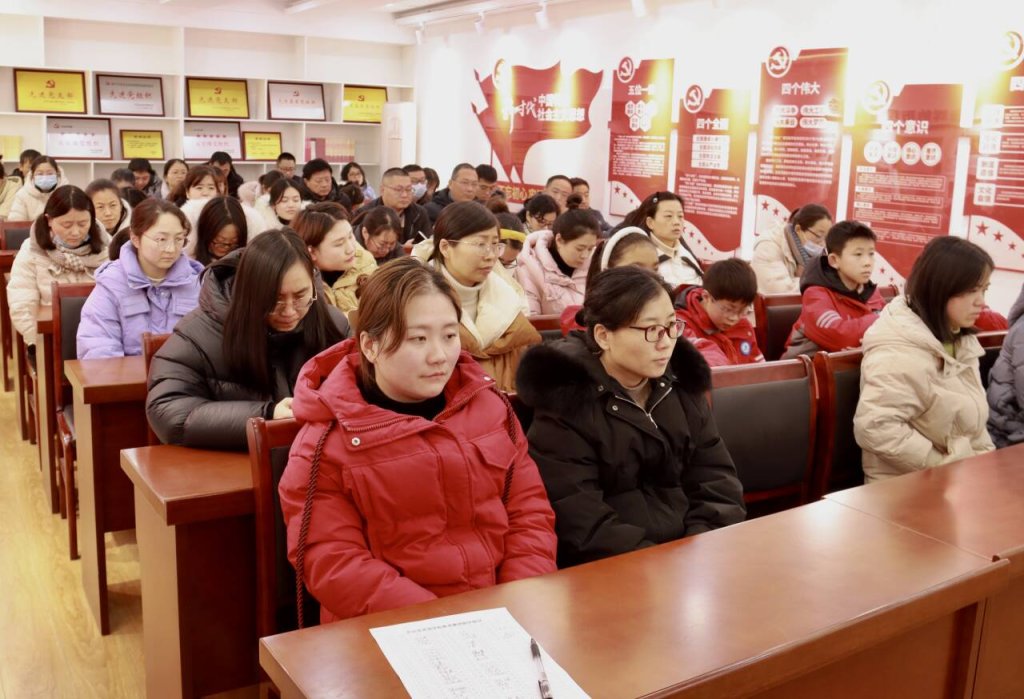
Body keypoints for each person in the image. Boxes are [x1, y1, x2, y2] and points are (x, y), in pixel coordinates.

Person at [278, 258, 557, 623]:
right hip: (390, 628)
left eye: (450, 336)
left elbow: (529, 511)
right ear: (370, 346)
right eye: (418, 339)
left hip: (501, 614)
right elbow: (332, 560)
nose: (439, 356)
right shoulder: (325, 442)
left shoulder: (489, 407)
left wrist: (517, 598)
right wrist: (443, 621)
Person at [515, 266, 746, 567]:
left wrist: (698, 550)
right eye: (651, 330)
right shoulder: (566, 398)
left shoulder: (680, 383)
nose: (666, 342)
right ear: (603, 336)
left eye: (671, 325)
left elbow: (717, 482)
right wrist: (657, 565)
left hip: (692, 560)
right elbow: (581, 519)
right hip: (616, 569)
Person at [146, 229, 350, 450]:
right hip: (235, 462)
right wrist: (266, 415)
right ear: (249, 294)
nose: (290, 311)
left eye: (301, 296)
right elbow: (168, 411)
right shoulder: (197, 335)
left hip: (320, 458)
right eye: (275, 300)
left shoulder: (334, 325)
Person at [854, 237, 996, 482]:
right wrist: (940, 467)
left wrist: (985, 469)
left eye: (984, 290)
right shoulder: (898, 350)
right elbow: (876, 428)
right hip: (906, 488)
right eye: (972, 290)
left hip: (956, 480)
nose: (981, 302)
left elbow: (973, 430)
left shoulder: (958, 340)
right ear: (940, 288)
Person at [424, 201, 540, 391]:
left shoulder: (509, 302)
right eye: (480, 244)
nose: (491, 256)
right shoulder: (416, 302)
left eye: (495, 245)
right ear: (445, 247)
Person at [77, 198, 203, 359]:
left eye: (179, 239)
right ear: (136, 239)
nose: (171, 249)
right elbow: (98, 349)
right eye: (161, 239)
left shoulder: (197, 283)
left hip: (184, 374)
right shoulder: (112, 284)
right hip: (128, 375)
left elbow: (210, 345)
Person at [8, 185, 110, 346]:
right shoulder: (32, 250)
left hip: (103, 329)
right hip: (51, 334)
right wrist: (30, 334)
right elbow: (22, 294)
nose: (76, 232)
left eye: (83, 224)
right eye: (67, 225)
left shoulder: (107, 248)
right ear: (49, 220)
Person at [782, 220, 884, 358]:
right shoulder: (815, 294)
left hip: (854, 366)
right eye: (858, 254)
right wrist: (880, 319)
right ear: (834, 261)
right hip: (806, 368)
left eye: (871, 254)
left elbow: (893, 330)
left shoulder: (871, 292)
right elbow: (841, 337)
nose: (868, 262)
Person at [674, 259, 765, 366]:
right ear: (706, 297)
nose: (734, 318)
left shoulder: (743, 326)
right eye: (728, 309)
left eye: (742, 311)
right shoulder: (681, 325)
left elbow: (759, 367)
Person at [515, 205, 599, 316]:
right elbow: (530, 318)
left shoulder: (595, 267)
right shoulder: (529, 267)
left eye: (590, 249)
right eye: (580, 248)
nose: (585, 255)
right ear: (559, 240)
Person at [291, 207, 376, 314]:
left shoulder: (366, 264)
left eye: (350, 236)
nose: (350, 249)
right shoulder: (298, 289)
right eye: (339, 244)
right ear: (311, 252)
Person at [752, 204, 832, 294]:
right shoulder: (769, 247)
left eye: (826, 238)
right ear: (798, 229)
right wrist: (811, 280)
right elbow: (780, 290)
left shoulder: (820, 255)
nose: (823, 244)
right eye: (819, 236)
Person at [355, 167, 431, 244]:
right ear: (382, 190)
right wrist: (402, 249)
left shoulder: (419, 213)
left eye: (408, 189)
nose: (404, 195)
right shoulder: (365, 214)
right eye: (398, 190)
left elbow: (427, 243)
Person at [9, 155, 68, 222]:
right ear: (32, 176)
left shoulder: (67, 194)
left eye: (50, 173)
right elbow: (15, 222)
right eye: (40, 174)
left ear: (57, 174)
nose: (45, 177)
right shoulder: (22, 195)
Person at [193, 196, 249, 266]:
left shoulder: (246, 262)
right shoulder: (190, 265)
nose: (226, 247)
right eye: (219, 241)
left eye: (233, 243)